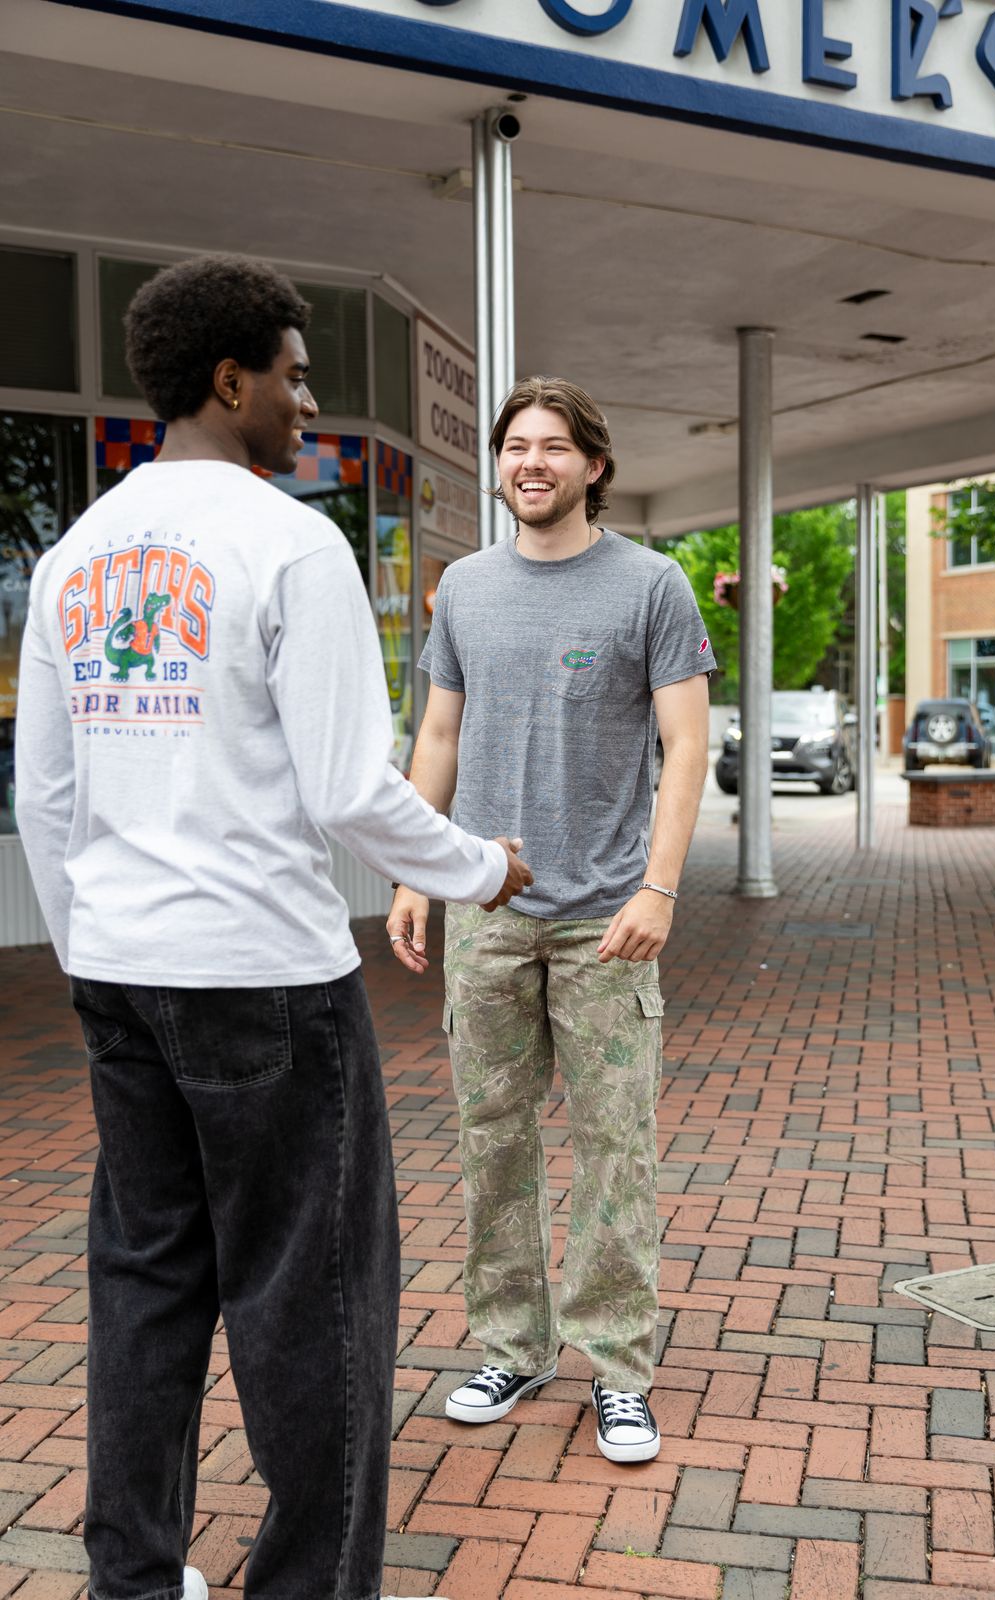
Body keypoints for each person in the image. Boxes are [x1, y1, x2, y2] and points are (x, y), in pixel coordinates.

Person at [15, 253, 532, 1600]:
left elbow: (47, 794)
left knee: (145, 1281)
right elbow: (349, 786)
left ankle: (134, 1576)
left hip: (125, 972)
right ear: (228, 379)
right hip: (261, 979)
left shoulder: (76, 555)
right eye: (295, 376)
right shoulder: (291, 541)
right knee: (312, 1304)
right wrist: (481, 868)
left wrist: (96, 953)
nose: (306, 404)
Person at [387, 376, 712, 1464]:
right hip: (485, 910)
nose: (530, 463)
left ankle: (617, 1365)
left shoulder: (651, 586)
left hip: (603, 919)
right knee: (491, 1133)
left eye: (553, 447)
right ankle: (510, 1344)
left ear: (594, 465)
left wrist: (658, 887)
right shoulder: (463, 591)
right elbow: (437, 737)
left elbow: (685, 750)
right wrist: (409, 869)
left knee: (615, 1141)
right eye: (514, 446)